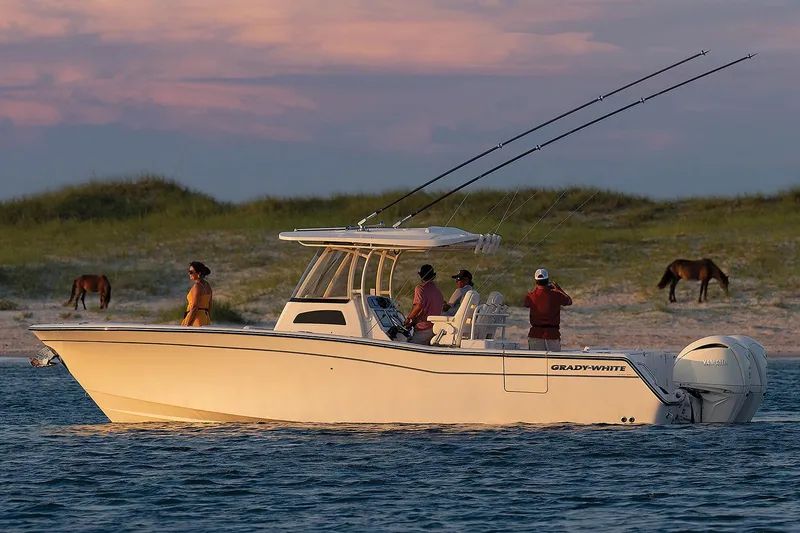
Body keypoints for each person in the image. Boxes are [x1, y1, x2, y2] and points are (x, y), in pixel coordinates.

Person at [523, 267, 572, 351]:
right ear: (547, 280)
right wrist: (559, 290)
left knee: (536, 359)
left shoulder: (531, 296)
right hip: (552, 334)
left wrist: (536, 288)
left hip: (535, 334)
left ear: (536, 281)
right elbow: (569, 301)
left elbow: (526, 304)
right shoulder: (556, 295)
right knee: (554, 358)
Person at [403, 264, 445, 345]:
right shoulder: (438, 291)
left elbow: (419, 306)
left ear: (421, 276)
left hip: (423, 329)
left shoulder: (420, 288)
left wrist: (408, 319)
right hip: (434, 329)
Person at [181, 261, 213, 327]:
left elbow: (194, 307)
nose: (189, 274)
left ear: (199, 273)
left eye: (191, 272)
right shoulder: (207, 285)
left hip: (196, 318)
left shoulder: (197, 286)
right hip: (205, 317)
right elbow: (209, 305)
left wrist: (187, 323)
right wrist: (208, 318)